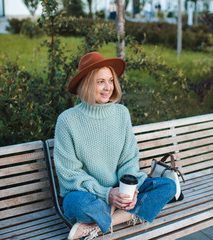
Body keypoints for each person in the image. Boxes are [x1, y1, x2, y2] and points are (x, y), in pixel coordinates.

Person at [54, 52, 176, 240]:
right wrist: (107, 194)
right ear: (87, 84)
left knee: (168, 186)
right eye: (100, 81)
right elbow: (70, 174)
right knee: (75, 205)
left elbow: (128, 159)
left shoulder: (121, 114)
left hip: (120, 189)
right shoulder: (67, 121)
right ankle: (116, 211)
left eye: (110, 80)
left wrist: (130, 192)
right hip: (89, 195)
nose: (108, 87)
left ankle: (99, 225)